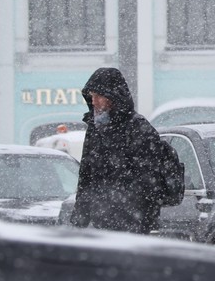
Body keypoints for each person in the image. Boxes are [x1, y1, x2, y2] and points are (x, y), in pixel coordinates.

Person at [66, 67, 183, 234]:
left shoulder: (138, 128)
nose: (94, 102)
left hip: (132, 223)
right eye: (92, 96)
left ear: (113, 98)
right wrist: (80, 219)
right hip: (102, 223)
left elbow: (148, 180)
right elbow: (86, 175)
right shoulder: (95, 128)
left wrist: (134, 215)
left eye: (98, 97)